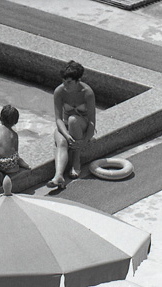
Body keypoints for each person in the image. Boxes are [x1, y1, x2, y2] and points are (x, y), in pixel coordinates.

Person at [47, 60, 96, 190]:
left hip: (82, 125)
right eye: (63, 81)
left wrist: (85, 141)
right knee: (62, 142)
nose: (65, 85)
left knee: (73, 120)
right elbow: (58, 119)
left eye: (69, 82)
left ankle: (76, 160)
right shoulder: (59, 91)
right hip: (65, 126)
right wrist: (66, 135)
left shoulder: (87, 92)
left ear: (78, 80)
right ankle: (58, 176)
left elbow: (92, 121)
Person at [0, 105, 30, 180]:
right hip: (11, 167)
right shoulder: (14, 134)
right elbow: (16, 152)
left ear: (0, 117)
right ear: (15, 122)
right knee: (18, 159)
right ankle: (24, 165)